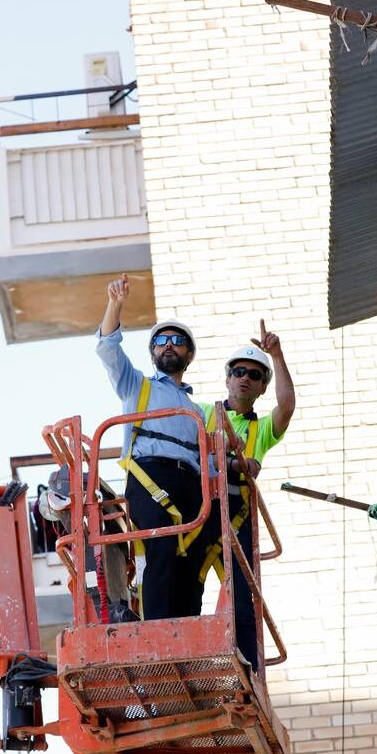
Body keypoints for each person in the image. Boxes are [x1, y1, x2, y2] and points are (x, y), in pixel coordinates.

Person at [95, 273, 209, 621]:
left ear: (188, 353)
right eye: (161, 341)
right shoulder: (137, 385)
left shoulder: (196, 411)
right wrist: (116, 303)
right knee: (161, 545)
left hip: (191, 482)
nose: (169, 345)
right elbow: (107, 349)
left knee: (193, 559)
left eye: (177, 340)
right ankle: (159, 628)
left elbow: (209, 460)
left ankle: (188, 629)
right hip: (150, 476)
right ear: (153, 352)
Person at [197, 320, 296, 671]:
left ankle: (249, 668)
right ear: (227, 378)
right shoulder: (203, 413)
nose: (244, 378)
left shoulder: (261, 429)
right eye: (239, 371)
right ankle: (190, 656)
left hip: (237, 514)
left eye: (254, 375)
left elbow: (286, 408)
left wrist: (278, 355)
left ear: (261, 387)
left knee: (243, 597)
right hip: (201, 508)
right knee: (188, 585)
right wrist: (233, 459)